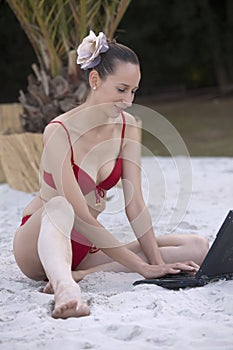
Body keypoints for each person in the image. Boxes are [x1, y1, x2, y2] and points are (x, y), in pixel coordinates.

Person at [13, 30, 209, 319]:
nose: (128, 100)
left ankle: (84, 273)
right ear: (95, 81)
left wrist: (156, 266)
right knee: (61, 205)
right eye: (121, 89)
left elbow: (135, 204)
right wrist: (140, 267)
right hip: (41, 242)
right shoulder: (58, 131)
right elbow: (80, 215)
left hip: (86, 247)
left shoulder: (129, 126)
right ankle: (66, 287)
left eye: (134, 91)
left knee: (197, 248)